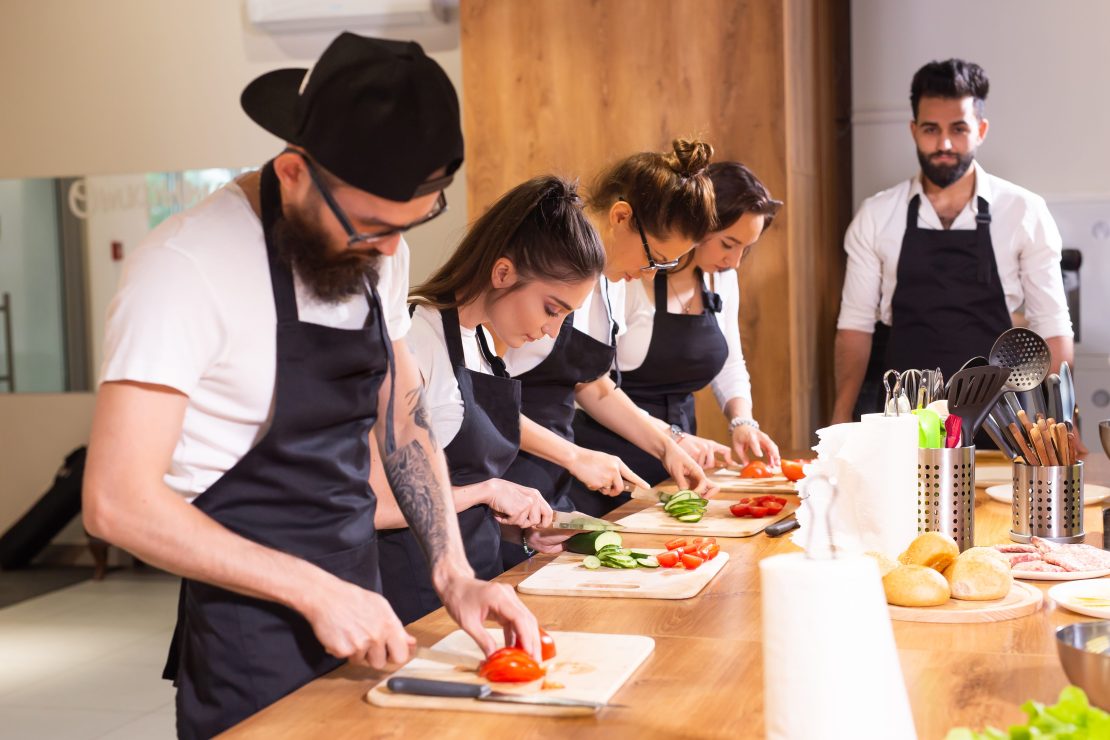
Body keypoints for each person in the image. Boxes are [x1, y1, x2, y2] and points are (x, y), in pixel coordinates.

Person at [81, 34, 542, 739]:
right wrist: (312, 590)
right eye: (370, 228)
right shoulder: (183, 269)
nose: (390, 252)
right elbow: (116, 503)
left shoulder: (380, 247)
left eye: (409, 226)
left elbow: (403, 415)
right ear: (294, 171)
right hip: (251, 635)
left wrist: (451, 568)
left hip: (363, 601)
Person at [375, 175, 605, 623]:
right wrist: (489, 490)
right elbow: (380, 505)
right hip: (417, 601)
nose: (551, 331)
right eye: (552, 309)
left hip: (483, 585)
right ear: (502, 273)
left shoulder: (483, 345)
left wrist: (520, 532)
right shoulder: (415, 341)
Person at [498, 138, 720, 566]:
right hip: (508, 477)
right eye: (655, 259)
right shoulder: (549, 274)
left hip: (554, 474)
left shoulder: (611, 285)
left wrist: (666, 446)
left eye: (667, 266)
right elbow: (483, 403)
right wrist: (576, 456)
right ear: (621, 217)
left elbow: (593, 387)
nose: (651, 274)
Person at [832, 58, 1074, 423]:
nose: (944, 143)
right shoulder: (877, 214)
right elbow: (855, 328)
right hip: (906, 421)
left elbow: (1051, 328)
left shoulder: (1025, 211)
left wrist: (1063, 423)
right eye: (931, 129)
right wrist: (841, 415)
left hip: (1002, 422)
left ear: (981, 130)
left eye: (958, 129)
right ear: (913, 130)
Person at [570, 162, 783, 516]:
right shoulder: (625, 272)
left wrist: (741, 421)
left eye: (747, 249)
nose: (735, 262)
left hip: (671, 450)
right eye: (729, 244)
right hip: (605, 448)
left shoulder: (718, 280)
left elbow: (730, 362)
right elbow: (590, 387)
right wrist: (670, 439)